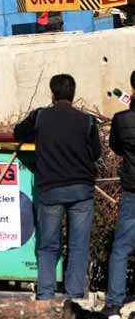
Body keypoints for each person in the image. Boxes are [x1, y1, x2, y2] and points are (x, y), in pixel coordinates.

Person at [13, 74, 101, 302]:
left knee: (48, 246)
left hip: (50, 190)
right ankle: (74, 298)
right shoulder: (87, 120)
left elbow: (18, 132)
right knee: (79, 246)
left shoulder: (40, 117)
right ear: (73, 94)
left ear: (52, 94)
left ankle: (45, 296)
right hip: (81, 190)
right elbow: (96, 153)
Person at [103, 69, 135, 319]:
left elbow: (115, 146)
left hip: (132, 189)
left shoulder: (122, 119)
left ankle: (114, 303)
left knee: (121, 247)